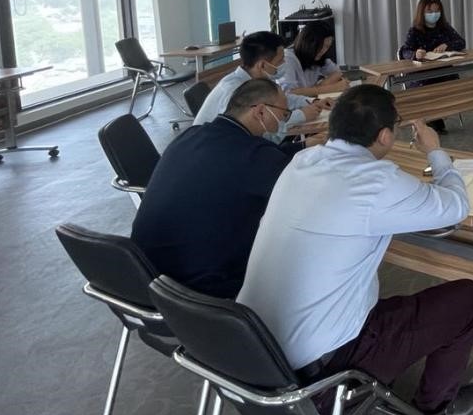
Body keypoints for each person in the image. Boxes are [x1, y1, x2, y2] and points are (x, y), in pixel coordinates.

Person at [238, 85, 473, 415]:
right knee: (467, 299)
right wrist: (435, 151)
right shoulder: (378, 181)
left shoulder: (301, 162)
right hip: (317, 382)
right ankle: (434, 411)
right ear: (385, 136)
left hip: (252, 357)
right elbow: (456, 207)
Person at [131, 78, 292, 298]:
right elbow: (299, 192)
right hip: (201, 289)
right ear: (261, 112)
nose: (282, 121)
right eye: (284, 114)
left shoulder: (191, 135)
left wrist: (300, 147)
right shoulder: (255, 155)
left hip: (146, 273)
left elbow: (258, 161)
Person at [193, 31, 331, 142]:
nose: (284, 63)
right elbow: (257, 130)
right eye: (280, 60)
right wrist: (301, 115)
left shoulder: (258, 80)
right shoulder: (233, 90)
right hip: (214, 150)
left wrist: (313, 102)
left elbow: (282, 99)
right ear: (263, 65)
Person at [398, 0, 468, 134]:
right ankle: (433, 120)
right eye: (430, 11)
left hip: (442, 69)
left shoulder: (445, 28)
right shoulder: (414, 31)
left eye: (437, 11)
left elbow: (461, 42)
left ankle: (438, 116)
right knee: (430, 87)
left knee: (451, 82)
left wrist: (447, 45)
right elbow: (404, 51)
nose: (434, 14)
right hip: (421, 74)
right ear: (422, 12)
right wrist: (416, 54)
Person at [277, 20, 347, 96]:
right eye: (320, 46)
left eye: (327, 47)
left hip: (309, 101)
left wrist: (320, 86)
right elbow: (288, 93)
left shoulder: (318, 57)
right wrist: (331, 88)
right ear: (309, 43)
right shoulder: (287, 59)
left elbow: (337, 73)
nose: (323, 51)